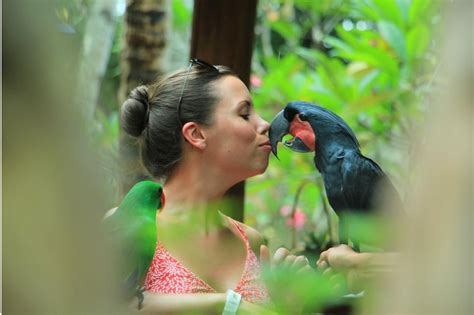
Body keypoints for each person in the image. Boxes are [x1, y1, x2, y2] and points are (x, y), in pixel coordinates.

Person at [119, 59, 311, 314]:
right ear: (196, 134)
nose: (264, 124)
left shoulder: (251, 242)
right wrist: (230, 306)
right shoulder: (127, 227)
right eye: (244, 114)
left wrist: (288, 306)